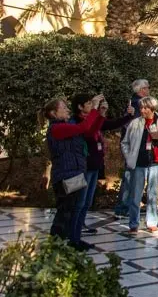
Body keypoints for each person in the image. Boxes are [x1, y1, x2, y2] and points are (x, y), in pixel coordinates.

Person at [43, 95, 104, 250]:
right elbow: (82, 128)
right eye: (63, 108)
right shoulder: (57, 128)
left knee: (73, 208)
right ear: (53, 113)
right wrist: (94, 108)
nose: (67, 110)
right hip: (65, 175)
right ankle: (55, 245)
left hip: (75, 173)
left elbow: (89, 132)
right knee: (65, 212)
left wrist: (99, 114)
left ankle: (72, 241)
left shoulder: (67, 126)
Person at [74, 95, 134, 236]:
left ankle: (80, 224)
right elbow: (88, 131)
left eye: (91, 103)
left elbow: (107, 124)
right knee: (80, 199)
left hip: (95, 164)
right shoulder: (77, 121)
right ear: (80, 107)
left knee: (88, 199)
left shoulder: (92, 119)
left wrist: (128, 116)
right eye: (89, 103)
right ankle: (74, 227)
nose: (91, 106)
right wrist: (97, 111)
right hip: (85, 165)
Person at [121, 96, 158, 233]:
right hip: (139, 162)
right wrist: (128, 157)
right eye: (141, 108)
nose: (142, 110)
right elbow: (125, 142)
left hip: (155, 162)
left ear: (152, 108)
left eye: (145, 108)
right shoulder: (135, 123)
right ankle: (133, 223)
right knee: (136, 194)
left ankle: (152, 222)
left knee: (152, 193)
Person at [114, 79, 149, 218]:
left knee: (134, 176)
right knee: (130, 176)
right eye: (147, 87)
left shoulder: (138, 103)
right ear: (141, 90)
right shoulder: (136, 104)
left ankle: (129, 205)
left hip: (136, 144)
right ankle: (123, 207)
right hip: (134, 145)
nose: (148, 90)